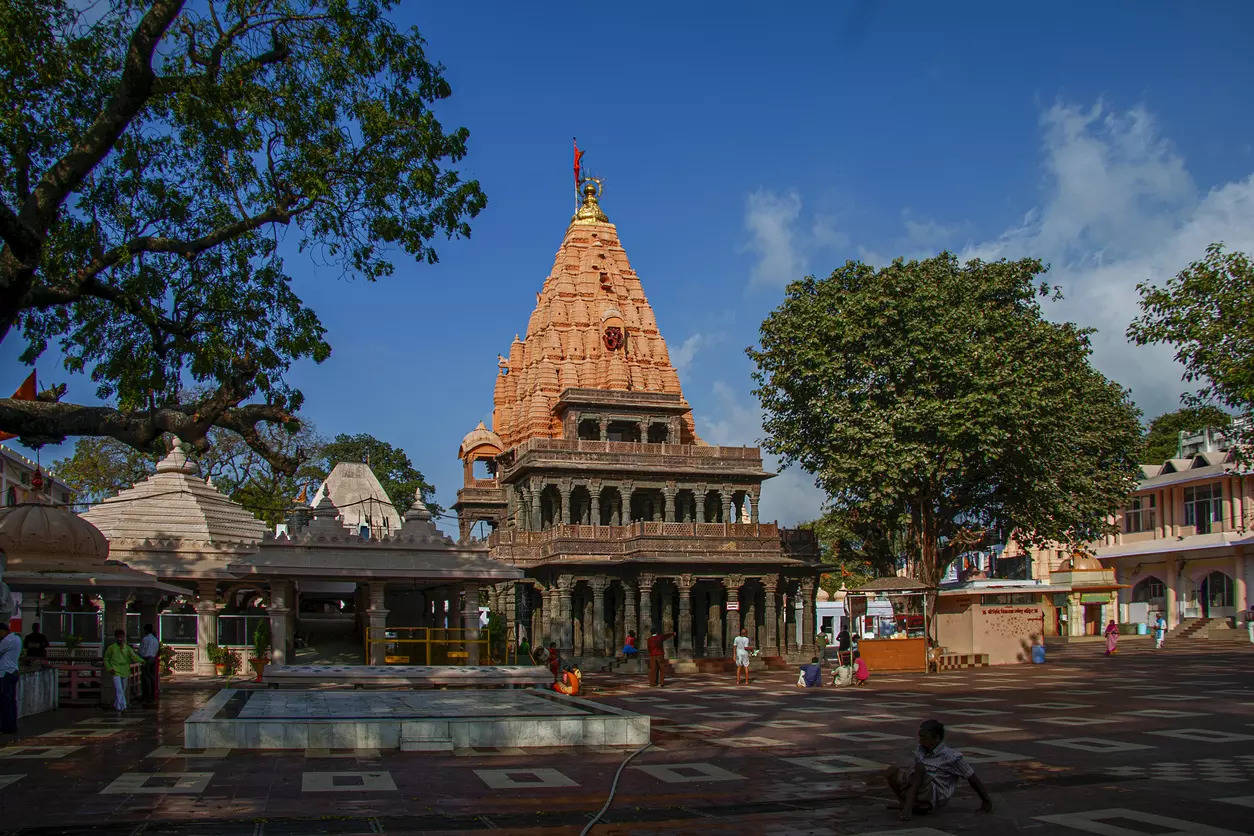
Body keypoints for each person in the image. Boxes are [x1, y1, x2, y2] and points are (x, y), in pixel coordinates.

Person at [886, 719, 993, 821]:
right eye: (920, 737)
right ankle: (906, 803)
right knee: (892, 771)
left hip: (935, 793)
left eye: (924, 738)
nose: (920, 740)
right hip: (919, 785)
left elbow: (972, 777)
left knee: (919, 768)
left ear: (936, 738)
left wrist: (986, 801)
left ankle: (908, 808)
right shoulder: (921, 750)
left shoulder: (952, 756)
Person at [102, 629, 141, 712]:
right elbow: (106, 659)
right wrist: (109, 668)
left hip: (125, 671)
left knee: (122, 689)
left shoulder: (127, 648)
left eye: (121, 637)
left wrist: (143, 661)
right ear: (115, 638)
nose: (120, 639)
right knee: (119, 689)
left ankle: (117, 704)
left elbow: (134, 656)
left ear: (124, 637)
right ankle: (123, 706)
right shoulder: (111, 648)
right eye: (118, 637)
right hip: (115, 671)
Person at [0, 624, 21, 736]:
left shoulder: (7, 640)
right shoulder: (17, 638)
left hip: (5, 672)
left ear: (3, 631)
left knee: (5, 701)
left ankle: (6, 727)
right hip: (13, 671)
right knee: (12, 700)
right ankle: (12, 726)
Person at [138, 623, 159, 705]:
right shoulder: (155, 639)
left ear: (146, 630)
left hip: (146, 659)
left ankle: (147, 695)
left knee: (146, 677)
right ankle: (152, 695)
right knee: (152, 677)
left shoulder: (145, 639)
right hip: (153, 658)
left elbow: (141, 650)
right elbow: (157, 650)